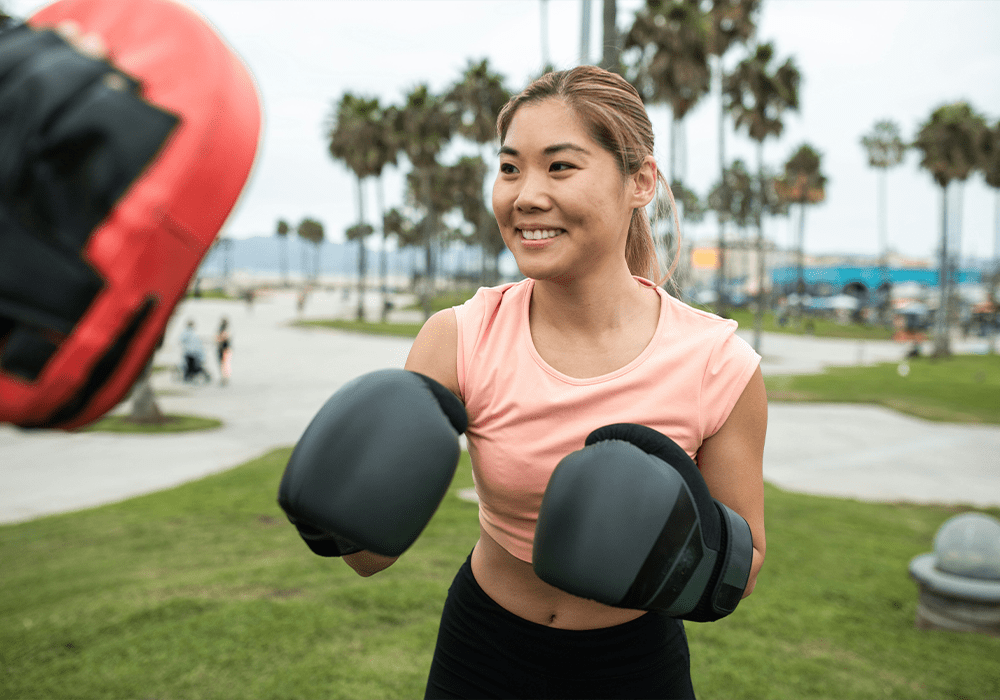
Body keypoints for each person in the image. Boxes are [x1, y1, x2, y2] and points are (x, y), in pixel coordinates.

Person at [341, 66, 768, 699]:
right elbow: (368, 557)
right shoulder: (460, 336)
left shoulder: (717, 363)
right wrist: (343, 513)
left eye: (560, 167)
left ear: (640, 181)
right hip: (483, 652)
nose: (525, 196)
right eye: (510, 168)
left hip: (633, 668)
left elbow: (744, 564)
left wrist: (659, 547)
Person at [215, 317, 232, 386]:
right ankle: (224, 378)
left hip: (224, 349)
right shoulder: (224, 329)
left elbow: (222, 339)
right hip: (224, 349)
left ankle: (224, 378)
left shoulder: (224, 330)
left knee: (224, 364)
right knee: (224, 364)